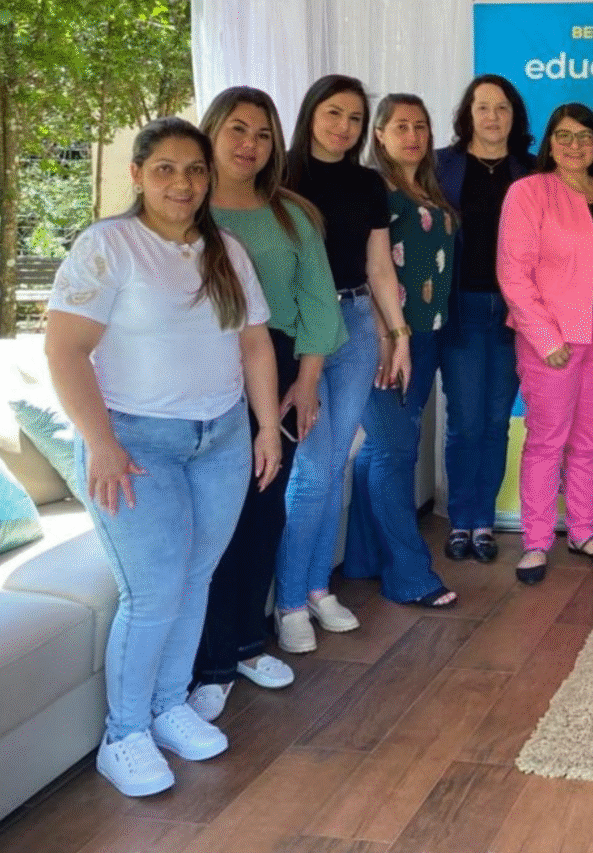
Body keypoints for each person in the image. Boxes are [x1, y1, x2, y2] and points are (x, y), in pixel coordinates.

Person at [45, 117, 279, 796]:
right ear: (138, 175)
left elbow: (256, 345)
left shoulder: (225, 249)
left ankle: (168, 703)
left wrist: (267, 428)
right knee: (151, 592)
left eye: (195, 170)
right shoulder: (108, 245)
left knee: (196, 578)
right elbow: (65, 350)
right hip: (139, 445)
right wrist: (102, 444)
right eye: (167, 169)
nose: (183, 182)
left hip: (223, 439)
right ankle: (124, 735)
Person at [186, 87, 348, 721]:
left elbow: (320, 301)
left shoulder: (292, 214)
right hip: (199, 372)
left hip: (277, 370)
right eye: (237, 129)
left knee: (262, 510)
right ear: (211, 132)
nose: (248, 145)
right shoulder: (181, 210)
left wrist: (306, 383)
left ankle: (246, 644)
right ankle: (208, 662)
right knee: (213, 521)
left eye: (262, 133)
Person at [277, 74, 413, 654]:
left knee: (332, 464)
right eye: (334, 114)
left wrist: (396, 333)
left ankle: (314, 588)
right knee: (314, 467)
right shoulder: (279, 177)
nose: (343, 127)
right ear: (311, 113)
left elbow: (379, 266)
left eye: (355, 119)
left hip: (357, 324)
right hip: (301, 330)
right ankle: (288, 600)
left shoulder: (366, 183)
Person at [497, 103, 593, 585]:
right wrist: (545, 336)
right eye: (564, 136)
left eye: (585, 136)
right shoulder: (529, 192)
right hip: (550, 338)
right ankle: (535, 541)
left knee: (590, 439)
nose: (575, 145)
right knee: (548, 440)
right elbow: (514, 272)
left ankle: (584, 530)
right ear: (549, 143)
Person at [343, 94, 459, 609]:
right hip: (387, 339)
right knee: (394, 451)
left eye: (421, 125)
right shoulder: (374, 189)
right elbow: (366, 269)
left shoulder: (425, 188)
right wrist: (388, 336)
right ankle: (409, 575)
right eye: (400, 126)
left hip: (426, 336)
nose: (412, 135)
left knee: (380, 449)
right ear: (380, 135)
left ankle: (364, 558)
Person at [435, 74, 533, 564]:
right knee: (465, 422)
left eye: (502, 108)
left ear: (515, 116)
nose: (493, 116)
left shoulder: (531, 170)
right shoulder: (442, 166)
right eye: (482, 107)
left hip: (515, 315)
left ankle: (484, 523)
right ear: (467, 115)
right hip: (463, 309)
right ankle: (460, 520)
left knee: (497, 422)